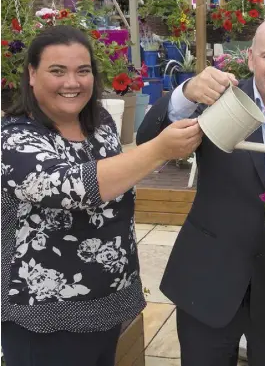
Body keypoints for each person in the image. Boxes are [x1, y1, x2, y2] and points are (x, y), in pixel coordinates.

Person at [136, 17, 265, 366]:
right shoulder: (217, 103)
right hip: (208, 282)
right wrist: (185, 93)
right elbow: (147, 140)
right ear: (250, 58)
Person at [1, 25, 202, 366]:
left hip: (107, 304)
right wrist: (158, 150)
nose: (72, 82)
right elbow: (73, 187)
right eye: (57, 71)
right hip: (45, 316)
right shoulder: (15, 139)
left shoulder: (101, 124)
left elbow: (119, 181)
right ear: (32, 75)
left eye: (83, 71)